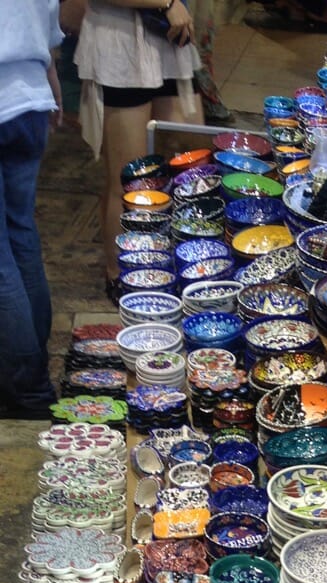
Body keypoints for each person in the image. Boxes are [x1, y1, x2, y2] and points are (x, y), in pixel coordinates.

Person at [75, 0, 203, 303]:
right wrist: (167, 3)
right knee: (130, 180)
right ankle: (120, 275)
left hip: (170, 41)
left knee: (190, 173)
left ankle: (172, 266)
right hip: (119, 45)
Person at [0, 0, 63, 419]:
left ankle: (29, 388)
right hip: (31, 101)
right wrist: (52, 86)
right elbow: (52, 32)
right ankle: (32, 358)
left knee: (4, 260)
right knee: (21, 235)